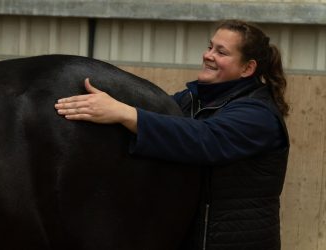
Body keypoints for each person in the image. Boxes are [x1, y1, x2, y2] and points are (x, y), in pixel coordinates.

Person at [55, 19, 289, 250]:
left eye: (221, 52)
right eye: (210, 47)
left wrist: (123, 113)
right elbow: (159, 119)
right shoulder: (191, 100)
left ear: (248, 68)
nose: (208, 55)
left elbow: (205, 139)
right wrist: (109, 105)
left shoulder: (258, 114)